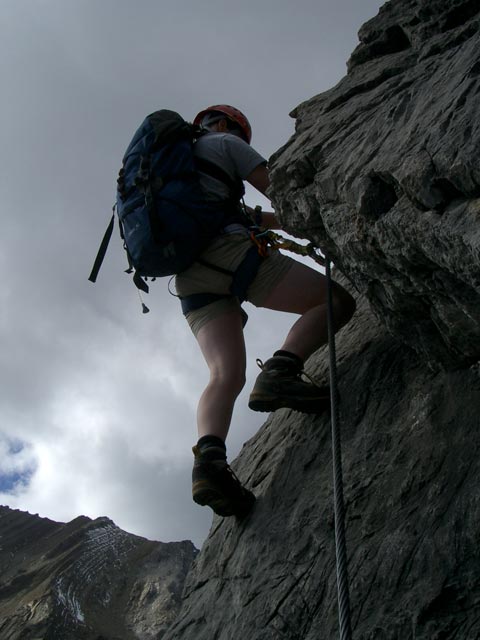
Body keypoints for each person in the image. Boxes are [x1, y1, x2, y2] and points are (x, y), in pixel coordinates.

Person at [175, 105, 356, 519]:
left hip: (189, 279)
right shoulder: (224, 144)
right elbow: (281, 193)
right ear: (225, 126)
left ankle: (209, 465)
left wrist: (282, 225)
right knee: (335, 301)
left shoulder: (180, 172)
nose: (240, 141)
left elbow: (260, 216)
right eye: (241, 133)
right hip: (231, 255)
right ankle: (281, 372)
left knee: (224, 375)